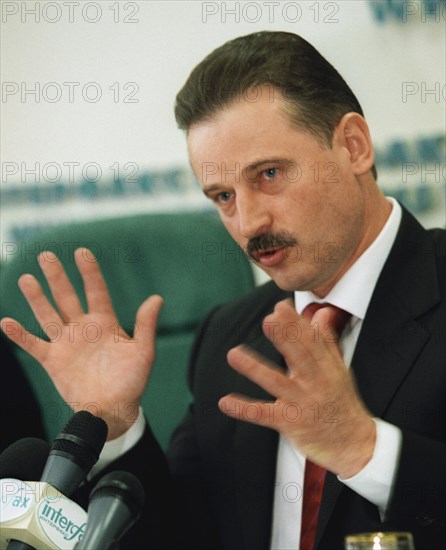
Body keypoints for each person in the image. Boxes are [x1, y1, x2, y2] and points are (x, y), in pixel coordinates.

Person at [1, 31, 445, 550]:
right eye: (223, 196)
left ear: (353, 146)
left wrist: (366, 451)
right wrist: (118, 423)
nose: (248, 221)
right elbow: (185, 536)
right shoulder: (230, 338)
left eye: (270, 174)